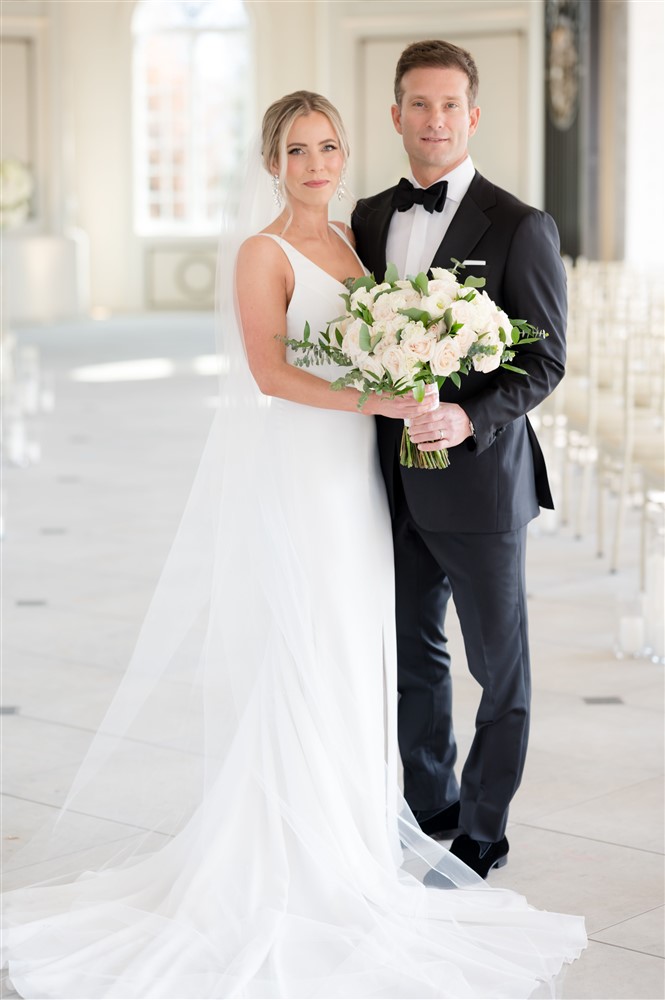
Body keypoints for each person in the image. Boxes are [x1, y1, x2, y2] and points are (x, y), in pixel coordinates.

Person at [1, 91, 585, 999]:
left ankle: (355, 838)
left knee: (363, 648)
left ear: (346, 151)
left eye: (327, 147)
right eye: (297, 150)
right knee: (304, 645)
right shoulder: (260, 250)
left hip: (363, 479)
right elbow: (269, 370)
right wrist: (380, 401)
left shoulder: (357, 238)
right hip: (305, 471)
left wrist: (412, 389)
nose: (315, 164)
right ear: (271, 161)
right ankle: (287, 851)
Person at [352, 39, 568, 878]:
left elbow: (543, 361)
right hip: (386, 484)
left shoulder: (520, 226)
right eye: (418, 103)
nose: (433, 119)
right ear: (396, 114)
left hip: (480, 488)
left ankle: (483, 824)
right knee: (411, 657)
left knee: (497, 668)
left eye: (449, 105)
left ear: (471, 116)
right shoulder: (371, 215)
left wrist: (467, 420)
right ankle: (429, 797)